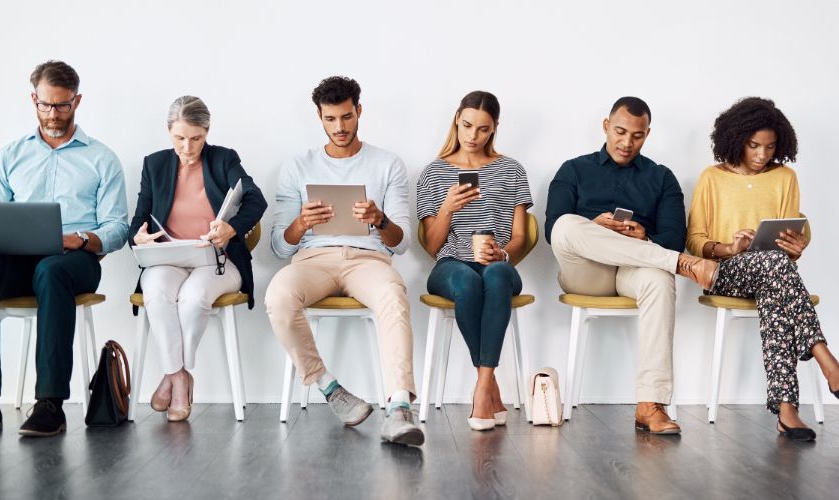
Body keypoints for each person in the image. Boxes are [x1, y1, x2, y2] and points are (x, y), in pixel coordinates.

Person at [0, 60, 129, 437]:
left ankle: (50, 404)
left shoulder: (101, 158)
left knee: (51, 271)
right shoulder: (10, 156)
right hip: (18, 260)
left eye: (63, 105)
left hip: (74, 261)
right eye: (46, 105)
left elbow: (118, 227)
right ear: (33, 99)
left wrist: (81, 239)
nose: (54, 114)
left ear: (77, 101)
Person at [545, 96, 719, 435]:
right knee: (567, 224)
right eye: (620, 132)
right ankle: (683, 265)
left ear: (647, 134)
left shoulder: (662, 177)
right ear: (606, 126)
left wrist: (643, 236)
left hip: (633, 269)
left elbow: (673, 235)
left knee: (657, 278)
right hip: (586, 271)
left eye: (637, 136)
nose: (627, 143)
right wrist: (593, 226)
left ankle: (650, 405)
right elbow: (553, 232)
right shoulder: (573, 169)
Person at [265, 76, 423, 446]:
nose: (340, 127)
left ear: (359, 112)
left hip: (369, 260)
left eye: (347, 117)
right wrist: (302, 222)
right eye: (331, 119)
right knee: (278, 297)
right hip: (312, 259)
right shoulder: (297, 167)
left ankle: (399, 409)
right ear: (319, 117)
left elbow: (401, 244)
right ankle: (330, 388)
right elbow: (279, 247)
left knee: (393, 296)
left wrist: (379, 220)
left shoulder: (387, 164)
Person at [686, 97, 839, 441]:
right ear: (736, 138)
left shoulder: (785, 177)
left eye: (770, 147)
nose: (761, 154)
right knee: (774, 265)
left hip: (774, 274)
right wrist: (731, 248)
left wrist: (797, 245)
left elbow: (794, 230)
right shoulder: (712, 178)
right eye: (754, 145)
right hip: (724, 274)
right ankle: (826, 358)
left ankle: (788, 412)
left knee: (775, 279)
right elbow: (695, 241)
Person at [129, 96, 267, 422]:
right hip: (167, 258)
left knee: (193, 299)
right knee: (158, 295)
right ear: (168, 132)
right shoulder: (154, 164)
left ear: (206, 131)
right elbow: (137, 221)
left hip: (214, 260)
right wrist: (138, 236)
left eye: (195, 138)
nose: (188, 147)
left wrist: (231, 229)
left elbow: (255, 199)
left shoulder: (223, 159)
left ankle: (171, 375)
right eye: (179, 138)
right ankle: (181, 378)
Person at [416, 91, 532, 431]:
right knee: (468, 281)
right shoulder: (434, 173)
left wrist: (504, 254)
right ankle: (489, 386)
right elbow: (432, 246)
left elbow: (522, 238)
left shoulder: (511, 170)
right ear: (456, 119)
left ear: (494, 129)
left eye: (483, 129)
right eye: (467, 125)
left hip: (496, 263)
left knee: (495, 275)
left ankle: (482, 386)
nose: (472, 136)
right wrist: (449, 207)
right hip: (451, 264)